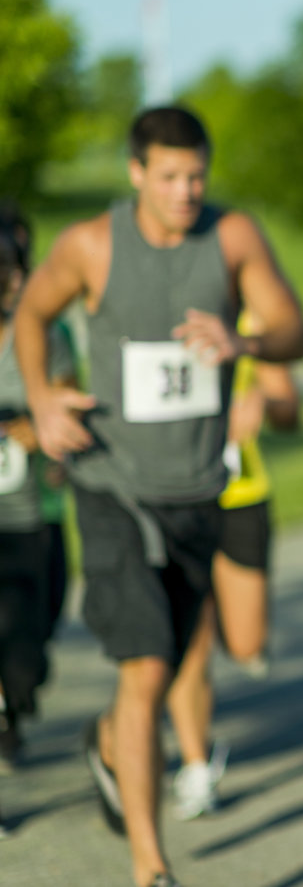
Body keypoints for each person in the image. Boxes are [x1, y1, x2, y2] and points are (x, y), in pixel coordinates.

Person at [16, 105, 303, 887]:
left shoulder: (233, 237)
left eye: (197, 176)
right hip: (111, 484)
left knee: (170, 665)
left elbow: (295, 330)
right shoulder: (93, 245)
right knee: (145, 667)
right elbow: (33, 313)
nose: (186, 191)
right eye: (170, 176)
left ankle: (112, 742)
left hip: (199, 491)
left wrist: (244, 341)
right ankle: (152, 867)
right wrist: (43, 395)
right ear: (136, 172)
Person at [164, 310, 301, 819]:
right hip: (177, 498)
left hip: (241, 496)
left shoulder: (250, 320)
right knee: (191, 642)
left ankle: (220, 610)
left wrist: (264, 401)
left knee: (245, 643)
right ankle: (195, 766)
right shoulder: (156, 309)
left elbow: (292, 413)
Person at [0, 225, 76, 769]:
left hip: (31, 511)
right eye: (6, 271)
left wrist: (41, 426)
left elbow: (68, 394)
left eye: (17, 269)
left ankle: (17, 696)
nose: (16, 282)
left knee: (30, 644)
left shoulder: (44, 335)